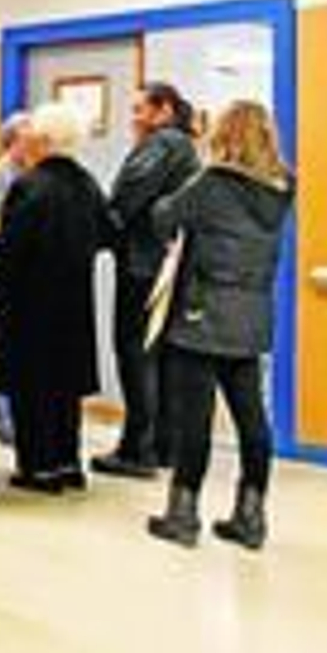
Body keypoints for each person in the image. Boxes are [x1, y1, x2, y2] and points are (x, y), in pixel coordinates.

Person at [146, 101, 294, 551]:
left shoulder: (212, 183)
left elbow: (162, 217)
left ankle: (183, 513)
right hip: (252, 314)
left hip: (202, 312)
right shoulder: (283, 188)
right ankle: (251, 515)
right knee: (252, 417)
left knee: (196, 418)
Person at [0, 103, 112, 494]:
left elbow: (8, 248)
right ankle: (68, 465)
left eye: (32, 133)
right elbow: (108, 234)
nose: (27, 139)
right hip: (74, 301)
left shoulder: (29, 185)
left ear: (45, 140)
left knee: (29, 389)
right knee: (66, 390)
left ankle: (37, 469)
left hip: (29, 303)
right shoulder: (87, 183)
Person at [92, 83, 202, 480]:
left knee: (135, 354)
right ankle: (162, 447)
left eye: (140, 110)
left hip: (143, 265)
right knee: (163, 357)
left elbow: (125, 198)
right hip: (169, 265)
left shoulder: (162, 144)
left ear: (164, 110)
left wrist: (94, 231)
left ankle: (137, 450)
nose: (133, 118)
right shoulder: (186, 146)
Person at [0, 111, 35, 447]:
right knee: (3, 345)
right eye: (24, 137)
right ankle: (4, 415)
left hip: (30, 270)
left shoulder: (38, 171)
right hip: (4, 265)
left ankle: (20, 415)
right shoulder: (1, 173)